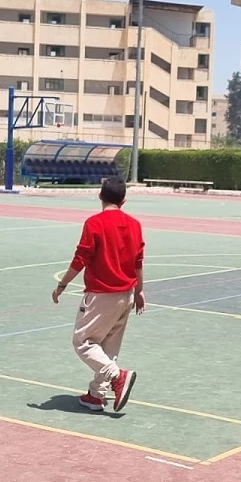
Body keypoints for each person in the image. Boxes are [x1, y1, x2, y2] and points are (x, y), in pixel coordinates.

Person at [52, 176, 145, 413]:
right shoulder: (134, 224)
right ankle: (96, 395)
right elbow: (138, 262)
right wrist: (140, 290)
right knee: (108, 348)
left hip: (101, 293)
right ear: (124, 200)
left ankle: (117, 376)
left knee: (83, 342)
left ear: (100, 196)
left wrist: (62, 285)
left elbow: (81, 259)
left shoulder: (94, 223)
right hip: (126, 294)